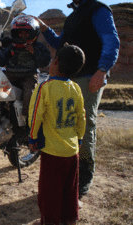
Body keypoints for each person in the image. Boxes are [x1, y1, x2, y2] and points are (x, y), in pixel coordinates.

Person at [34, 0, 120, 198]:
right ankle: (68, 178)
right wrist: (44, 28)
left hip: (90, 76)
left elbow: (111, 40)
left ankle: (82, 183)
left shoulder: (97, 9)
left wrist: (102, 70)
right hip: (69, 78)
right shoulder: (73, 16)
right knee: (64, 124)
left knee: (85, 125)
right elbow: (60, 43)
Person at [28, 43, 86, 225]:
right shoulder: (76, 88)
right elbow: (81, 117)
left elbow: (35, 115)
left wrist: (32, 137)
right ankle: (70, 221)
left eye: (53, 59)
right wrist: (80, 139)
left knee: (49, 193)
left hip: (52, 153)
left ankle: (48, 221)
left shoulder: (45, 87)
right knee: (70, 190)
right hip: (72, 151)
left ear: (56, 63)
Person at [0, 15, 51, 117]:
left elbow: (45, 62)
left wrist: (34, 52)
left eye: (26, 33)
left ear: (33, 33)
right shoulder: (11, 46)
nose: (23, 35)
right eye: (20, 33)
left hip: (29, 76)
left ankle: (27, 117)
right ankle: (0, 114)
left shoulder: (38, 46)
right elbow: (1, 57)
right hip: (10, 76)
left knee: (29, 94)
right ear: (15, 34)